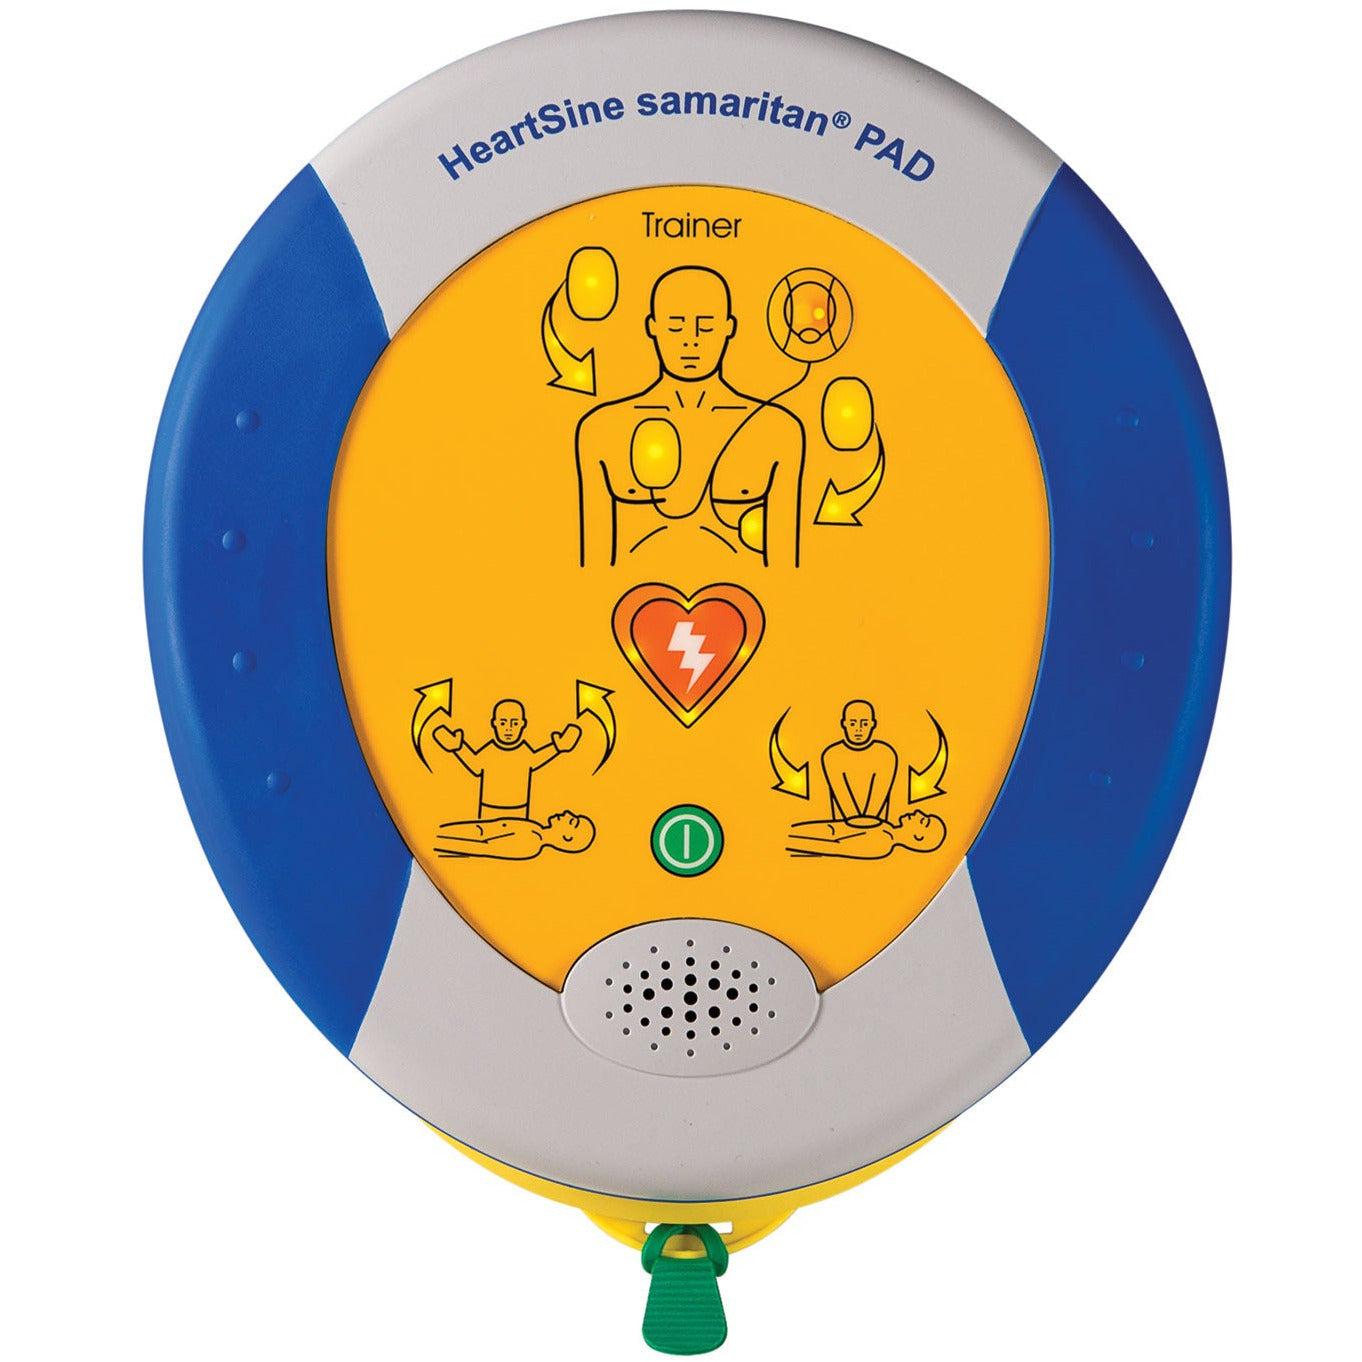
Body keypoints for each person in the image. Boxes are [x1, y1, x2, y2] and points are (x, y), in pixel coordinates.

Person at [575, 265, 805, 566]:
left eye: (705, 326)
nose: (691, 340)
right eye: (675, 326)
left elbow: (786, 562)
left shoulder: (777, 429)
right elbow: (592, 560)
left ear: (729, 327)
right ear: (652, 327)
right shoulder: (601, 428)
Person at [432, 699, 580, 819]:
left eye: (514, 723)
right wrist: (458, 748)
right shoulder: (489, 751)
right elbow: (474, 765)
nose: (508, 728)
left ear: (523, 724)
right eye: (503, 722)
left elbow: (538, 758)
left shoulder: (525, 752)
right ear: (494, 723)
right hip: (489, 810)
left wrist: (558, 748)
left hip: (519, 810)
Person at [820, 700, 898, 820]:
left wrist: (868, 825)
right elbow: (842, 796)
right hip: (842, 826)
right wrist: (855, 826)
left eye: (864, 724)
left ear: (873, 724)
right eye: (852, 724)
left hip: (878, 826)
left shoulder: (886, 754)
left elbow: (878, 798)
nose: (858, 729)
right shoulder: (831, 755)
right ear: (844, 724)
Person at [785, 810, 946, 860]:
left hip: (801, 838)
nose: (918, 813)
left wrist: (787, 842)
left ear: (918, 837)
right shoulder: (886, 829)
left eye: (923, 821)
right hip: (808, 831)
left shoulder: (883, 842)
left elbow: (833, 847)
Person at [434, 811, 596, 860]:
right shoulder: (535, 828)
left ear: (566, 838)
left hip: (451, 839)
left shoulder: (532, 842)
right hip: (458, 831)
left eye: (572, 821)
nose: (567, 814)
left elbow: (482, 848)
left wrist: (437, 842)